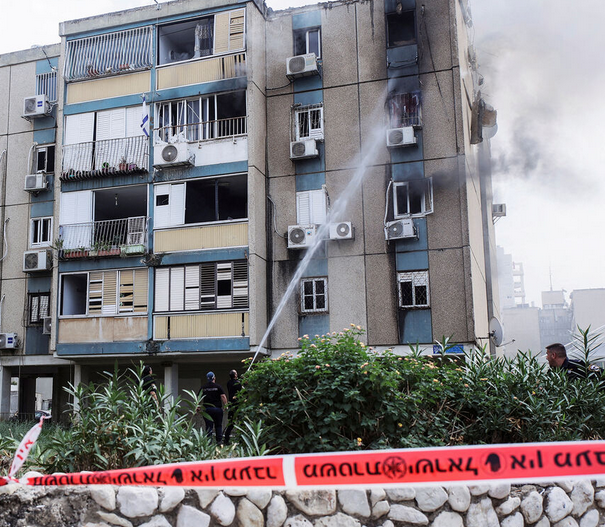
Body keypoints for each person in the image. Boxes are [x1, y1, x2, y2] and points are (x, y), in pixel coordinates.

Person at [200, 371, 227, 443]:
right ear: (214, 378)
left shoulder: (204, 387)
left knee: (209, 427)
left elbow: (199, 397)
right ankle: (219, 441)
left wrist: (198, 407)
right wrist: (226, 405)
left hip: (207, 410)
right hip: (217, 409)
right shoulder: (218, 387)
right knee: (218, 426)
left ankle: (209, 442)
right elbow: (223, 396)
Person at [224, 369, 243, 445]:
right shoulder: (238, 383)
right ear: (235, 375)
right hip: (238, 404)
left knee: (231, 423)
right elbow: (241, 388)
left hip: (231, 404)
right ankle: (241, 440)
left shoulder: (229, 383)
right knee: (241, 422)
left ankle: (226, 439)